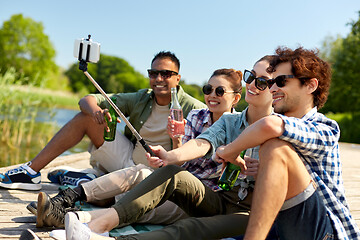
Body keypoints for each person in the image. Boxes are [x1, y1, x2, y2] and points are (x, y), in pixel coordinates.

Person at [58, 56, 275, 240]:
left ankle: (84, 221)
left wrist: (263, 169)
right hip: (215, 197)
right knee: (167, 173)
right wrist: (170, 154)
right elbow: (201, 143)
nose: (253, 84)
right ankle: (90, 223)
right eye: (251, 77)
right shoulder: (226, 122)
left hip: (247, 208)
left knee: (186, 226)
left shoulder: (282, 128)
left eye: (263, 81)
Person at [34, 68, 243, 228]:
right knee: (142, 171)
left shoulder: (238, 127)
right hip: (177, 181)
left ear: (235, 98)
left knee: (143, 206)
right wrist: (174, 142)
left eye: (220, 91)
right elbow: (183, 160)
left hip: (201, 196)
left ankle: (69, 218)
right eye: (208, 89)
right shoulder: (197, 116)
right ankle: (67, 198)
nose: (212, 95)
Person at [0, 51, 206, 191]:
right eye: (153, 73)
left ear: (178, 78)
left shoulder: (194, 108)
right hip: (126, 159)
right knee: (86, 117)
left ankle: (90, 179)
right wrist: (96, 110)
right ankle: (31, 172)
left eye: (166, 74)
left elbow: (208, 144)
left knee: (110, 197)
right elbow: (87, 99)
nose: (158, 78)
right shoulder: (141, 97)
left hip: (155, 175)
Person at [213, 47, 360, 240]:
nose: (272, 88)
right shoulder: (277, 128)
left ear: (310, 85)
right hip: (283, 226)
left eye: (281, 81)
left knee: (275, 147)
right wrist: (265, 171)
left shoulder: (326, 128)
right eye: (272, 82)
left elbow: (270, 125)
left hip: (325, 232)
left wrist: (229, 151)